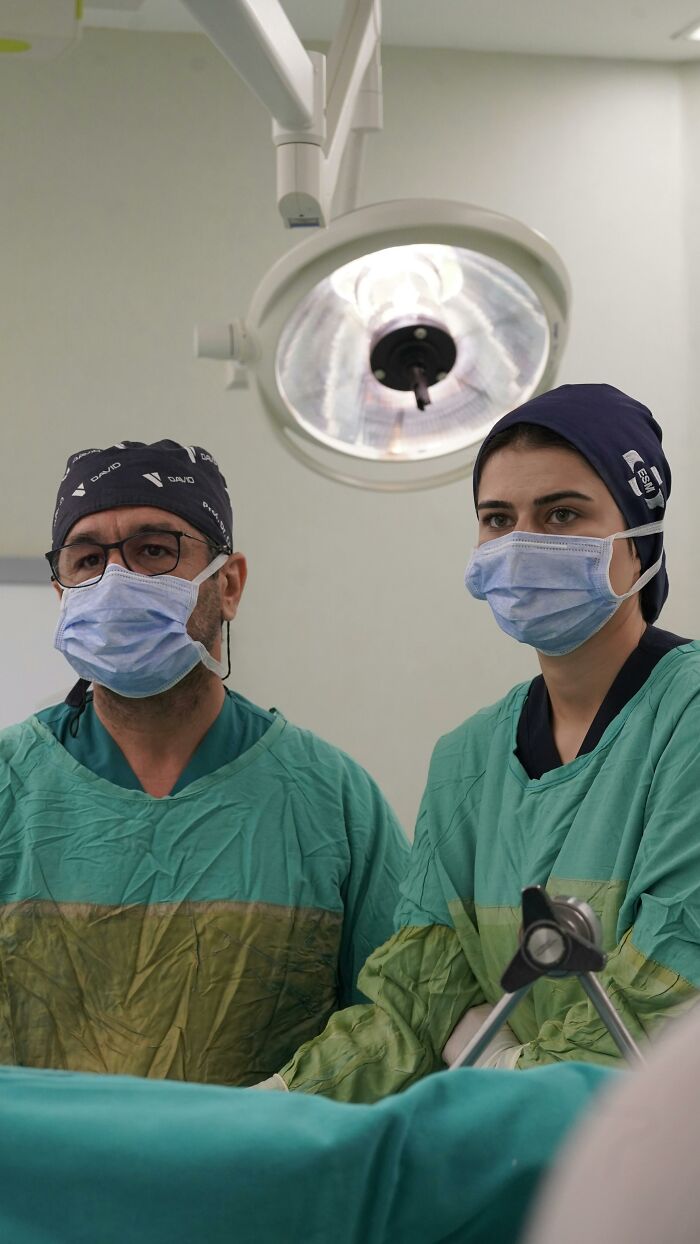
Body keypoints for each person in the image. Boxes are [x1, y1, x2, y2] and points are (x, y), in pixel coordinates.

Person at [267, 383, 700, 1101]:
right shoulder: (467, 759)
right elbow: (415, 997)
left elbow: (668, 990)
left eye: (562, 514)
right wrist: (275, 1103)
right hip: (509, 1166)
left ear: (639, 536)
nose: (524, 542)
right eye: (498, 519)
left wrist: (501, 1072)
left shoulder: (684, 717)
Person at [0, 439, 408, 1086]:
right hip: (43, 1181)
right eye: (86, 560)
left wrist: (266, 1113)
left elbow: (398, 1017)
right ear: (61, 591)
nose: (114, 582)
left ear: (229, 583)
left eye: (153, 551)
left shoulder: (332, 800)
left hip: (257, 1176)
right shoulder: (9, 789)